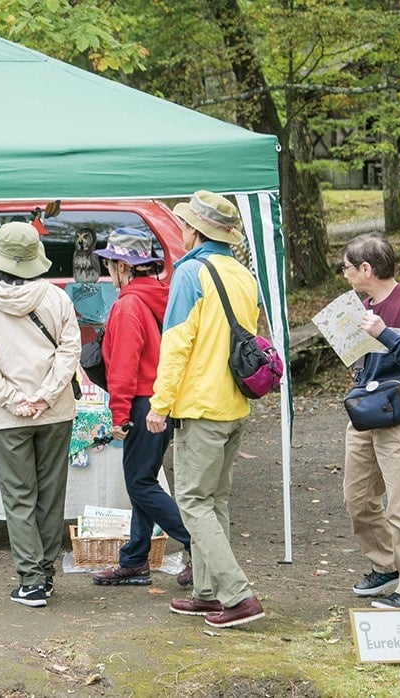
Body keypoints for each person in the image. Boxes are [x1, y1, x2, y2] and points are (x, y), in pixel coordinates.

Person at [145, 190, 265, 628]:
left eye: (184, 223)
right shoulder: (242, 273)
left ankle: (236, 595)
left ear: (194, 230)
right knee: (215, 500)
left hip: (200, 404)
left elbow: (176, 344)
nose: (182, 228)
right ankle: (208, 591)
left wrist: (160, 405)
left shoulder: (191, 272)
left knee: (194, 502)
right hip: (235, 402)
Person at [0, 221, 80, 608]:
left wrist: (14, 400)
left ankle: (30, 580)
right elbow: (69, 353)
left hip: (8, 415)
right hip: (55, 412)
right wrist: (45, 397)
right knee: (50, 494)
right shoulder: (57, 299)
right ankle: (44, 575)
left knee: (19, 496)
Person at [335, 233, 400, 610]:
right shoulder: (360, 306)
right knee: (357, 498)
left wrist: (384, 333)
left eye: (347, 267)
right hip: (366, 412)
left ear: (366, 268)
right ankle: (386, 565)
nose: (344, 273)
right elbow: (365, 361)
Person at [88, 229, 193, 589]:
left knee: (140, 483)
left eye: (109, 265)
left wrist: (118, 415)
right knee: (143, 480)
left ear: (121, 266)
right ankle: (135, 559)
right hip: (161, 400)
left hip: (142, 403)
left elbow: (123, 367)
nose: (108, 271)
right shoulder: (161, 298)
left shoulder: (128, 305)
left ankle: (200, 545)